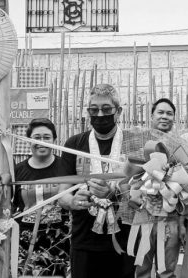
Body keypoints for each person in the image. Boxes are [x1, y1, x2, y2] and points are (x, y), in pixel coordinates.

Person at [58, 84, 135, 278]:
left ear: (119, 112)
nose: (100, 115)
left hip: (125, 239)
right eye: (94, 110)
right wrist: (73, 202)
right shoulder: (74, 144)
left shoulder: (133, 144)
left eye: (106, 109)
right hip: (84, 240)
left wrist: (115, 192)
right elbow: (63, 194)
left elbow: (143, 191)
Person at [12, 118, 70, 276]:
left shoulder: (65, 167)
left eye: (47, 137)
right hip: (25, 241)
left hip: (58, 241)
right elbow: (14, 205)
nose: (42, 142)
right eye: (37, 137)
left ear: (54, 140)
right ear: (29, 140)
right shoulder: (17, 171)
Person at [135, 97, 182, 278]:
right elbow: (131, 175)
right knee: (142, 269)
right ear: (152, 116)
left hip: (171, 216)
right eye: (160, 112)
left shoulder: (180, 145)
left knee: (167, 271)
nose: (165, 116)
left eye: (169, 113)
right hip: (143, 214)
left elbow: (187, 181)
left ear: (174, 118)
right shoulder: (139, 144)